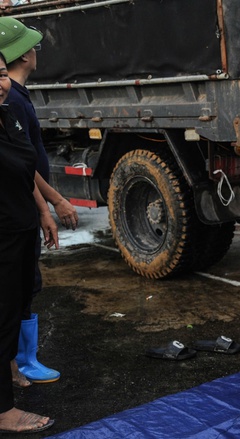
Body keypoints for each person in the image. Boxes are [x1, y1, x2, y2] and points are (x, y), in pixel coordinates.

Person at [0, 17, 78, 386]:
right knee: (19, 286)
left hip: (25, 211)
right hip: (14, 216)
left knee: (26, 283)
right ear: (25, 54)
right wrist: (52, 204)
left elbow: (25, 160)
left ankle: (21, 359)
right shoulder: (12, 99)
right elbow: (22, 166)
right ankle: (19, 362)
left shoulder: (15, 97)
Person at [0, 48, 56, 434]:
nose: (0, 82)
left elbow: (26, 169)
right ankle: (3, 411)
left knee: (12, 312)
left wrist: (44, 209)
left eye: (1, 73)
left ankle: (9, 379)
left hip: (19, 233)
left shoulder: (7, 116)